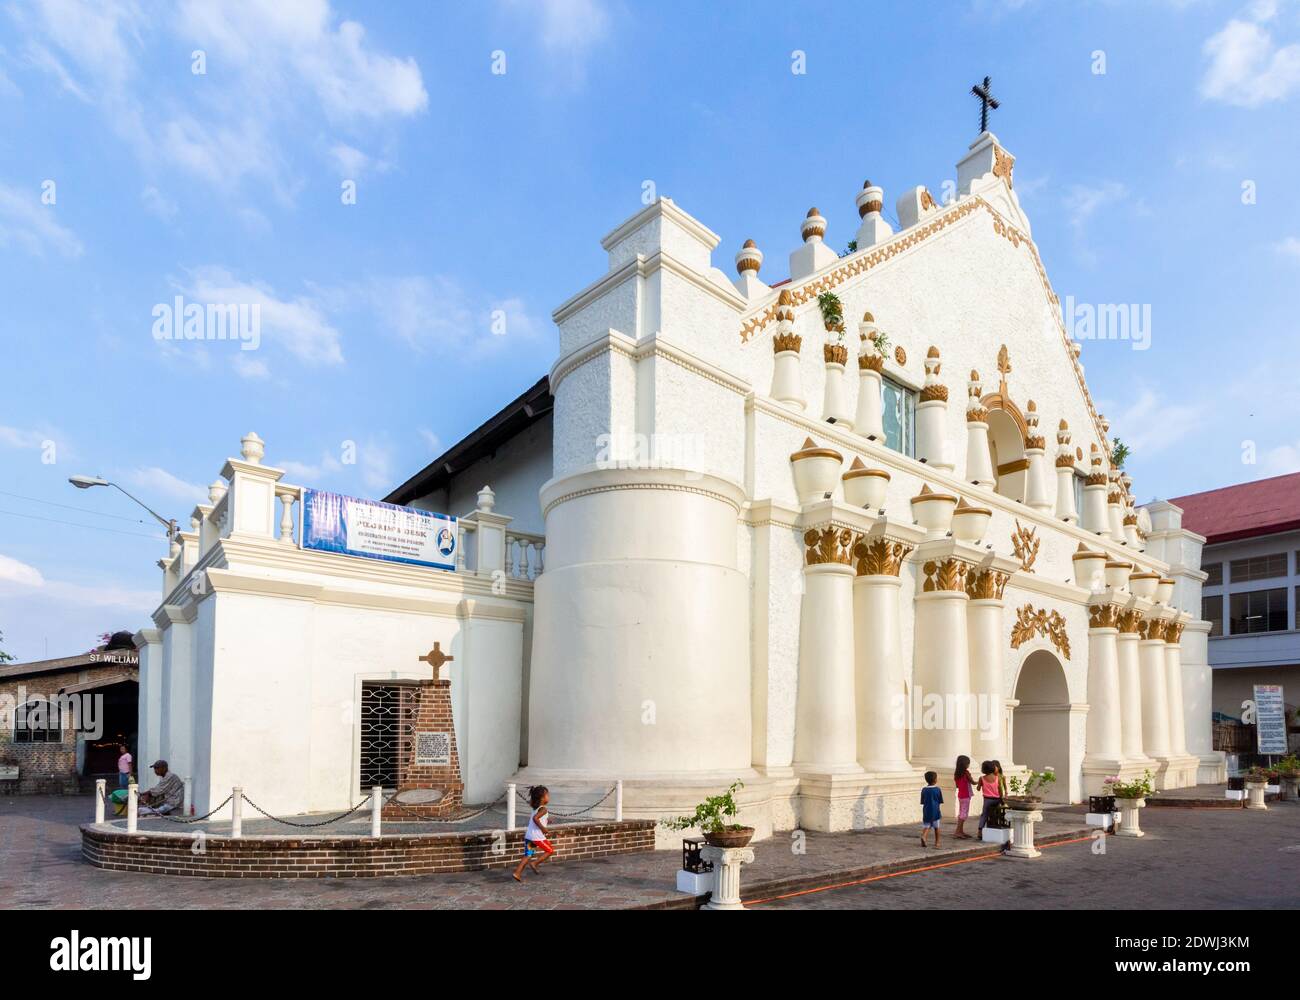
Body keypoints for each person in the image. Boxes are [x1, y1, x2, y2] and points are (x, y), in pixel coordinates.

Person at [513, 785, 555, 882]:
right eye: (547, 795)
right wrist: (543, 829)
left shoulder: (535, 808)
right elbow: (535, 819)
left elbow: (538, 819)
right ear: (542, 798)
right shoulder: (543, 809)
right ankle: (535, 863)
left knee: (528, 855)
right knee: (550, 850)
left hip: (529, 836)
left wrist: (547, 821)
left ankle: (517, 873)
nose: (549, 797)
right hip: (537, 837)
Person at [953, 755, 976, 839]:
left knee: (962, 813)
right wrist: (979, 782)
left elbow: (957, 786)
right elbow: (972, 782)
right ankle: (958, 832)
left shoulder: (957, 774)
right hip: (966, 795)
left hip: (961, 795)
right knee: (963, 814)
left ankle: (960, 831)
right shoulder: (966, 773)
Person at [920, 771, 943, 848]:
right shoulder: (937, 789)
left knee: (927, 826)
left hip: (926, 811)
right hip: (935, 811)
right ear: (935, 780)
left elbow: (922, 801)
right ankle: (937, 843)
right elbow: (940, 801)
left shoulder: (924, 789)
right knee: (936, 828)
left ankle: (924, 836)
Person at [977, 760, 1001, 833]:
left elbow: (978, 789)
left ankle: (980, 831)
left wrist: (979, 785)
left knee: (984, 814)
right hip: (997, 799)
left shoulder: (982, 778)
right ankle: (994, 828)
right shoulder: (997, 778)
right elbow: (1000, 789)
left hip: (987, 800)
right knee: (996, 814)